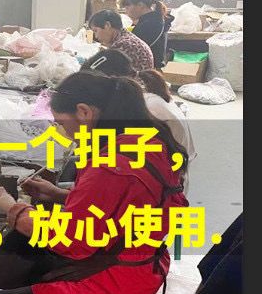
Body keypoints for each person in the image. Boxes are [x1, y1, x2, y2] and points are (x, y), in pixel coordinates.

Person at [0, 70, 188, 294]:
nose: (64, 132)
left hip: (119, 281)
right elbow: (121, 205)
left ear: (84, 112)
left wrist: (13, 208)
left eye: (62, 123)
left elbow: (71, 241)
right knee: (23, 250)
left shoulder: (110, 164)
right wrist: (57, 194)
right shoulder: (146, 141)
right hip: (142, 262)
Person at [81, 48, 196, 192]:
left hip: (165, 190)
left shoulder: (146, 109)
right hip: (164, 180)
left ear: (115, 82)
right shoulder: (141, 97)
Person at [121, 0, 174, 69]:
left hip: (148, 69)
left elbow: (132, 49)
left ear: (140, 5)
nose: (126, 11)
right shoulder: (152, 19)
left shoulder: (151, 23)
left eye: (127, 7)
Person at [89, 9, 154, 72]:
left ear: (107, 25)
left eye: (95, 31)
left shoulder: (123, 45)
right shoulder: (126, 39)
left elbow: (108, 73)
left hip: (137, 79)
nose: (96, 36)